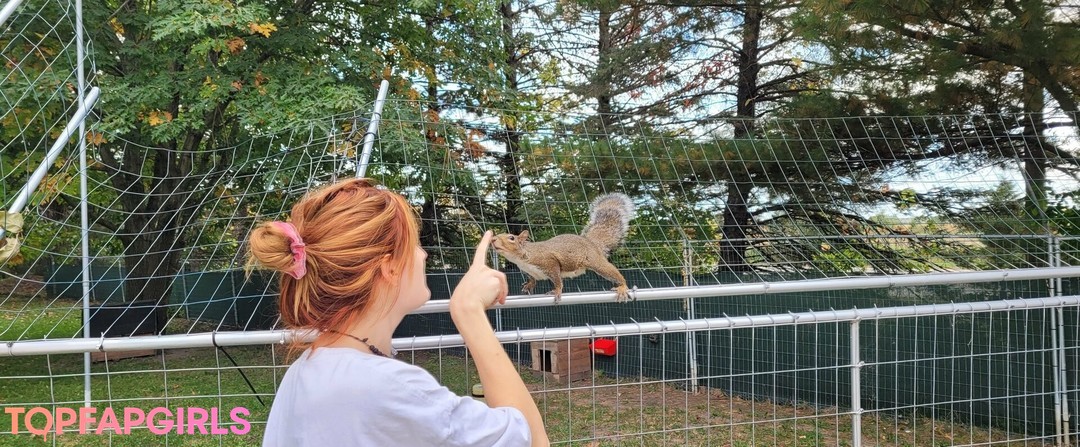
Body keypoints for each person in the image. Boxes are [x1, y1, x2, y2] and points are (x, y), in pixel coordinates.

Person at [249, 178, 549, 447]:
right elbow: (532, 440)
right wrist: (468, 312)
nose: (423, 254)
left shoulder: (302, 373)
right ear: (389, 268)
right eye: (414, 245)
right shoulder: (391, 388)